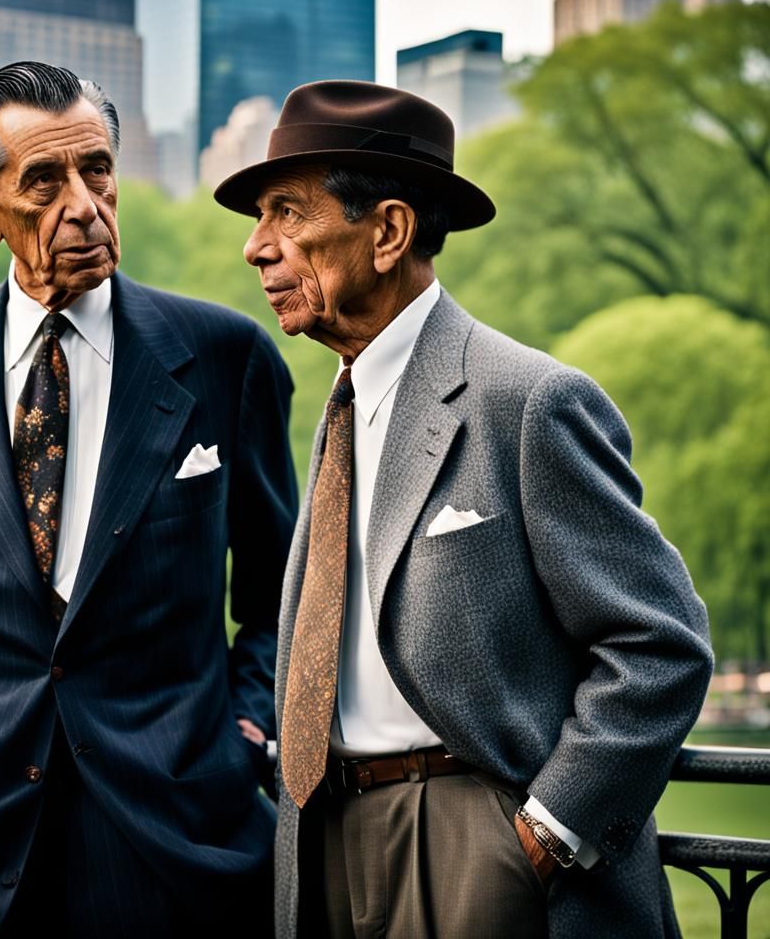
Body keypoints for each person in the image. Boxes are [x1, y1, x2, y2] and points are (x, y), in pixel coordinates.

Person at [213, 79, 714, 939]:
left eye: (288, 214)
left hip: (474, 844)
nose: (259, 249)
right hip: (321, 837)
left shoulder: (531, 401)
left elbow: (661, 647)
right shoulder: (336, 409)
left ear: (390, 232)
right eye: (261, 218)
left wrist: (545, 833)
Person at [0, 61, 297, 937]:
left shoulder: (229, 357)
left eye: (98, 170)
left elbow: (283, 590)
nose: (83, 203)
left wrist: (248, 727)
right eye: (44, 180)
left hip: (180, 846)